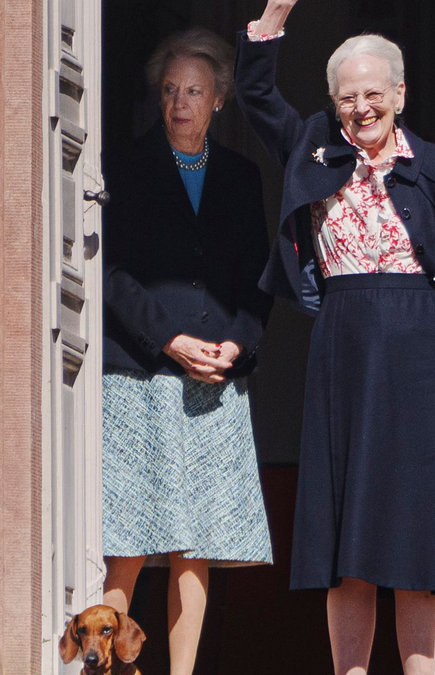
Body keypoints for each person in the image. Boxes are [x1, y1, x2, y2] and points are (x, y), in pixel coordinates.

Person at [235, 1, 435, 673]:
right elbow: (256, 96)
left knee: (417, 547)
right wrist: (270, 23)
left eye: (374, 94)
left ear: (400, 94)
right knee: (346, 545)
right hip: (344, 353)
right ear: (332, 101)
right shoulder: (314, 149)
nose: (361, 108)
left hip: (424, 356)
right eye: (347, 97)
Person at [99, 26, 274, 675]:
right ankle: (105, 667)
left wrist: (236, 344)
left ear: (219, 100)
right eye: (171, 90)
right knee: (128, 537)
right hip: (141, 375)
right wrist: (168, 338)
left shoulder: (241, 175)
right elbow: (110, 271)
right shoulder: (125, 166)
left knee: (193, 541)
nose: (180, 102)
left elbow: (260, 278)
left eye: (194, 91)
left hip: (213, 381)